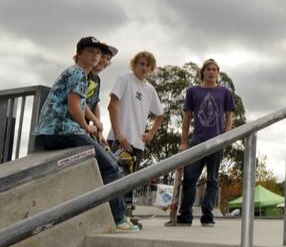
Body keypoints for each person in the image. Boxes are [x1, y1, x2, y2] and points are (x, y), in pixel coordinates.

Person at [33, 36, 136, 233]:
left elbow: (83, 105)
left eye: (98, 53)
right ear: (78, 55)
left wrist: (95, 124)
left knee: (98, 163)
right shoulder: (78, 73)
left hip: (50, 132)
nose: (95, 56)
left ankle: (108, 214)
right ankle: (119, 218)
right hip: (62, 131)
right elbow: (74, 108)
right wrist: (86, 127)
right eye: (90, 52)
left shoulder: (81, 75)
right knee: (111, 167)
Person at [176, 58, 236, 226]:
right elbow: (187, 117)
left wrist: (226, 137)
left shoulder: (224, 92)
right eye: (208, 69)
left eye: (214, 69)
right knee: (189, 178)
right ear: (202, 72)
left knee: (212, 180)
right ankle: (185, 215)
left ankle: (207, 215)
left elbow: (229, 116)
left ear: (218, 73)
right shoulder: (193, 91)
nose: (211, 72)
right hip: (197, 142)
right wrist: (183, 142)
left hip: (217, 142)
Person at [108, 51, 165, 214]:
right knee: (115, 177)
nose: (144, 67)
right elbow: (112, 106)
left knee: (131, 180)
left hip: (137, 142)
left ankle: (125, 214)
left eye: (148, 65)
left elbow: (160, 115)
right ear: (135, 64)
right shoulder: (124, 80)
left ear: (151, 68)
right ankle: (113, 214)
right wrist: (118, 134)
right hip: (119, 139)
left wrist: (151, 133)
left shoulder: (150, 90)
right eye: (141, 63)